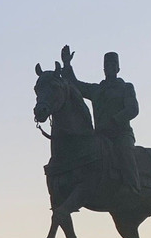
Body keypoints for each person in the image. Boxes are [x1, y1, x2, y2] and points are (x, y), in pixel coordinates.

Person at [60, 45, 141, 193]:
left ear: (118, 68)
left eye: (113, 65)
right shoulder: (97, 90)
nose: (110, 67)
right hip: (100, 136)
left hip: (120, 134)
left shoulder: (126, 87)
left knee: (125, 152)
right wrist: (67, 64)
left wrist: (115, 120)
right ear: (103, 69)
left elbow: (133, 109)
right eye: (107, 65)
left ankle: (132, 187)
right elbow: (76, 85)